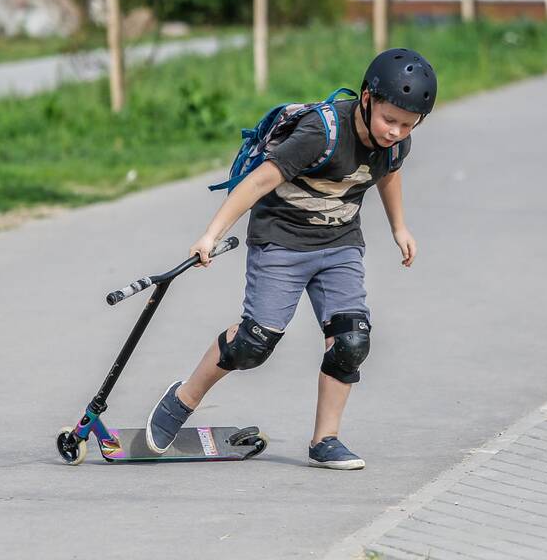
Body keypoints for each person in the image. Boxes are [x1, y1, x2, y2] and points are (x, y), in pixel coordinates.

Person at [145, 48, 437, 469]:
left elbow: (388, 173)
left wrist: (399, 227)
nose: (396, 131)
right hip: (280, 241)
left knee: (351, 341)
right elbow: (261, 179)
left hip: (339, 245)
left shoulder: (395, 144)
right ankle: (183, 398)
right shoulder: (322, 133)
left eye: (408, 125)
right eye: (389, 119)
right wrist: (211, 234)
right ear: (368, 97)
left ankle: (326, 439)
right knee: (253, 345)